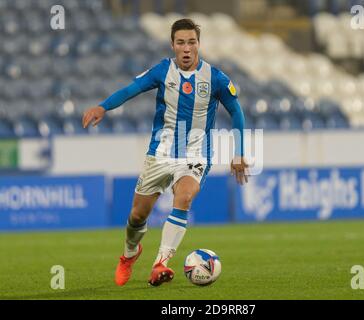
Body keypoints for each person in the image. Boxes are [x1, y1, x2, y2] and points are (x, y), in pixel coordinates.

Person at [82, 18, 248, 287]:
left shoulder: (215, 78)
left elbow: (237, 112)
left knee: (184, 196)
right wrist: (103, 107)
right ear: (172, 45)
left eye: (191, 42)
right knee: (137, 216)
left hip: (196, 154)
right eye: (180, 42)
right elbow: (130, 90)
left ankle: (161, 263)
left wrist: (239, 152)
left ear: (198, 45)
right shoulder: (162, 71)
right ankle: (129, 254)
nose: (186, 48)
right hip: (160, 153)